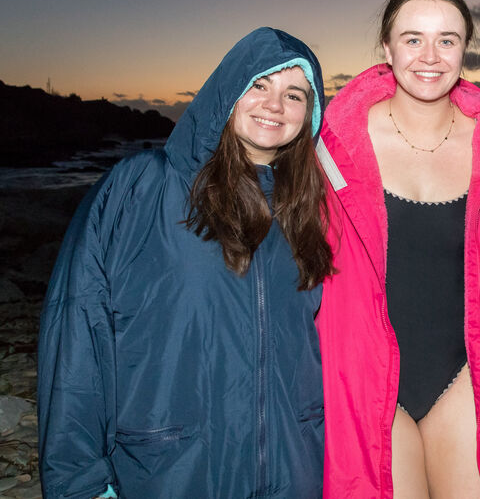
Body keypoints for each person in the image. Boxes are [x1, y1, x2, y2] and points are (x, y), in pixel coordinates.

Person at [37, 27, 333, 498]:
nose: (274, 105)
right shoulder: (142, 187)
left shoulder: (309, 212)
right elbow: (78, 327)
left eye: (294, 94)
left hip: (292, 472)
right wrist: (79, 481)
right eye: (259, 85)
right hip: (168, 472)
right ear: (227, 91)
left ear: (310, 115)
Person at [314, 0, 480, 498]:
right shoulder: (332, 149)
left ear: (465, 50)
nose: (430, 56)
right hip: (368, 378)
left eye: (447, 40)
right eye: (412, 39)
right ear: (387, 48)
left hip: (466, 375)